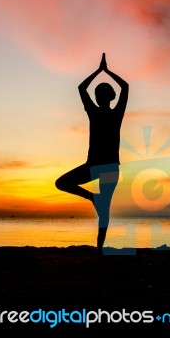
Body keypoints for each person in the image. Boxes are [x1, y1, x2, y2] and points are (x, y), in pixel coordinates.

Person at [55, 53, 129, 252]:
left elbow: (83, 88)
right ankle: (92, 199)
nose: (98, 97)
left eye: (101, 94)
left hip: (106, 166)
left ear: (107, 97)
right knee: (63, 184)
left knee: (103, 210)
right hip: (98, 165)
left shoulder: (112, 113)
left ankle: (99, 249)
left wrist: (101, 71)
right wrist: (105, 71)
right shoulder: (98, 112)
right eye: (98, 94)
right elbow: (124, 87)